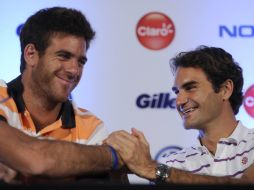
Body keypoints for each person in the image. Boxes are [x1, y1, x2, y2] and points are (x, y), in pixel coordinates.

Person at [0, 7, 126, 184]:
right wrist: (112, 156)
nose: (74, 70)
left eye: (81, 61)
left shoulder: (91, 127)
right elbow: (36, 159)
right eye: (63, 56)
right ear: (31, 55)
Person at [105, 46, 254, 184]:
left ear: (225, 90)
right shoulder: (172, 163)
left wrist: (153, 169)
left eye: (190, 88)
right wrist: (117, 175)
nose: (179, 101)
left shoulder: (161, 170)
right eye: (177, 92)